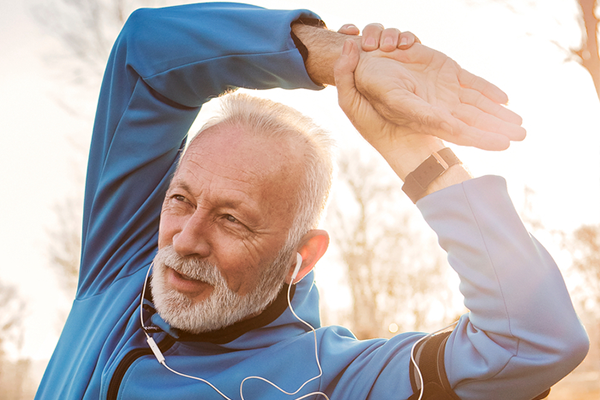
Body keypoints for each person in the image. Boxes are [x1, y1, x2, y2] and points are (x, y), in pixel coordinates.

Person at [34, 2, 588, 400]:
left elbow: (533, 342)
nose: (186, 238)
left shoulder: (332, 380)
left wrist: (412, 149)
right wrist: (338, 59)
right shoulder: (119, 268)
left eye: (232, 219)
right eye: (181, 199)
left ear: (304, 257)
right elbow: (147, 48)